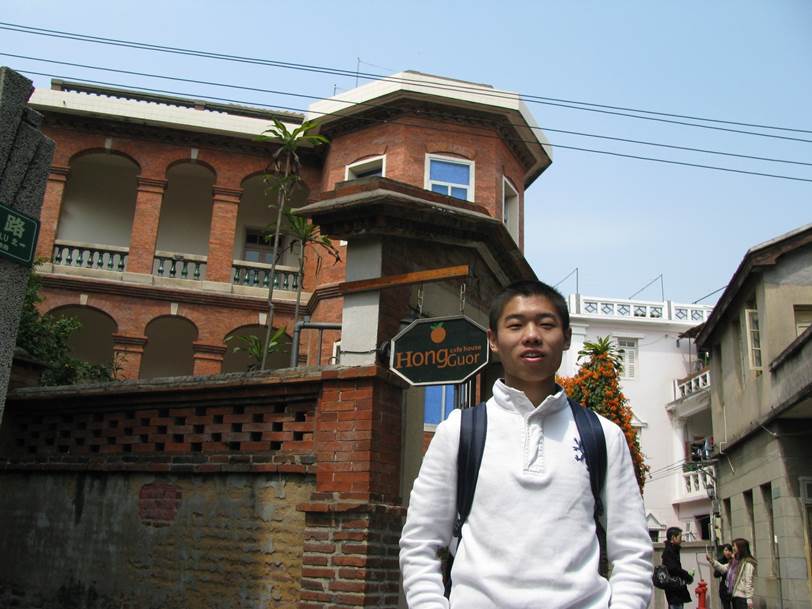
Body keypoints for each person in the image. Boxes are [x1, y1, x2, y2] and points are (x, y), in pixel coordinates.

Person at [399, 280, 653, 608]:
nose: (532, 335)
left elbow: (633, 552)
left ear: (566, 338)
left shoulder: (603, 435)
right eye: (516, 325)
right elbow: (419, 544)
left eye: (546, 324)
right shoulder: (458, 432)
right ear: (493, 340)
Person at [707, 538, 757, 609]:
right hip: (735, 596)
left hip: (743, 597)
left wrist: (749, 598)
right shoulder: (735, 561)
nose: (733, 548)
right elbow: (723, 568)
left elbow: (748, 581)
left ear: (740, 548)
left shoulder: (748, 563)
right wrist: (712, 561)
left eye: (734, 546)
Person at [661, 527, 694, 609]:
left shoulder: (673, 550)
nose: (681, 540)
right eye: (680, 537)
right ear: (673, 537)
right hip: (674, 591)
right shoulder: (669, 551)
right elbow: (674, 569)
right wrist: (687, 576)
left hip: (677, 590)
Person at [712, 544, 734, 609]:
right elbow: (715, 574)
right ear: (723, 551)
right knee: (726, 606)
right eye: (726, 550)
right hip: (724, 588)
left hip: (734, 587)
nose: (728, 552)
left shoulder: (735, 560)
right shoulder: (720, 561)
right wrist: (723, 570)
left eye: (729, 550)